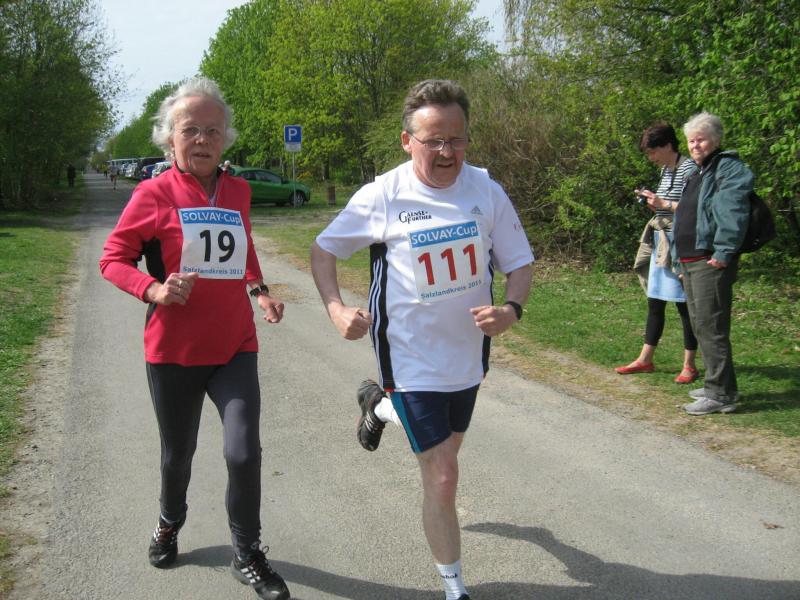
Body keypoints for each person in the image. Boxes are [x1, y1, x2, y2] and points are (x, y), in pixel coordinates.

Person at [310, 79, 534, 600]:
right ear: (407, 140)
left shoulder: (486, 190)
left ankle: (377, 406)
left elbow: (520, 263)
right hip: (408, 356)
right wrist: (336, 308)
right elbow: (324, 251)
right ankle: (455, 589)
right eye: (434, 141)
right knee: (443, 474)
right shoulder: (384, 195)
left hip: (467, 354)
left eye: (456, 139)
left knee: (446, 453)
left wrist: (511, 310)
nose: (447, 152)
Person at [99, 77, 291, 600]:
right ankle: (169, 522)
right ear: (170, 138)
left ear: (225, 138)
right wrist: (154, 289)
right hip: (174, 352)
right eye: (190, 130)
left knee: (243, 452)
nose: (202, 139)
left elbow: (241, 247)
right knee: (177, 455)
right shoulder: (152, 194)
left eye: (212, 130)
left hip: (234, 346)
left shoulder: (238, 190)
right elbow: (112, 259)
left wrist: (259, 291)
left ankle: (247, 554)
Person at [673, 112, 752, 415]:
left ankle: (721, 394)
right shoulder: (698, 171)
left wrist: (724, 251)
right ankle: (716, 386)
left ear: (716, 140)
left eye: (701, 140)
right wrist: (679, 260)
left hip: (710, 260)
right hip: (690, 260)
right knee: (700, 324)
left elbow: (733, 211)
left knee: (711, 325)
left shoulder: (728, 168)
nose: (695, 145)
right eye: (691, 141)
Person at [615, 122, 699, 383]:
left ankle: (689, 365)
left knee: (685, 305)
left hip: (682, 243)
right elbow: (669, 205)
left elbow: (695, 208)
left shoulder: (689, 169)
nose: (651, 158)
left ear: (667, 145)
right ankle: (645, 359)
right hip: (662, 241)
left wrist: (664, 203)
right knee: (655, 302)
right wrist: (654, 202)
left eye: (653, 152)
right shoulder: (666, 170)